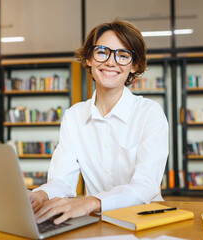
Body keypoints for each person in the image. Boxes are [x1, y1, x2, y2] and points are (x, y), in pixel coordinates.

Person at [29, 19, 169, 225]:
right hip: (95, 222)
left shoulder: (150, 113)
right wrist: (39, 195)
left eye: (123, 55)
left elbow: (146, 186)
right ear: (88, 59)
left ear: (134, 65)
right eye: (102, 52)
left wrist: (90, 202)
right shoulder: (74, 116)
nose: (111, 62)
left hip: (144, 221)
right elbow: (62, 181)